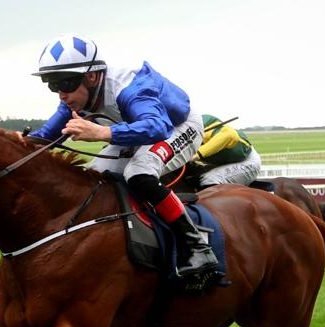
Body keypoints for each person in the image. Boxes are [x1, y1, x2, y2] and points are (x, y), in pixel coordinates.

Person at [30, 33, 217, 278]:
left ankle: (197, 246)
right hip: (139, 130)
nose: (61, 94)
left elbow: (157, 127)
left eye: (65, 83)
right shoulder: (76, 98)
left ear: (92, 76)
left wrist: (102, 132)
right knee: (91, 177)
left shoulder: (129, 87)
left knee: (138, 172)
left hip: (176, 126)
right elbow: (44, 138)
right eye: (53, 85)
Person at [195, 115, 262, 187]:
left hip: (247, 161)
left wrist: (198, 154)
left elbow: (230, 134)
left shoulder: (201, 122)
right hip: (226, 163)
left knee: (209, 179)